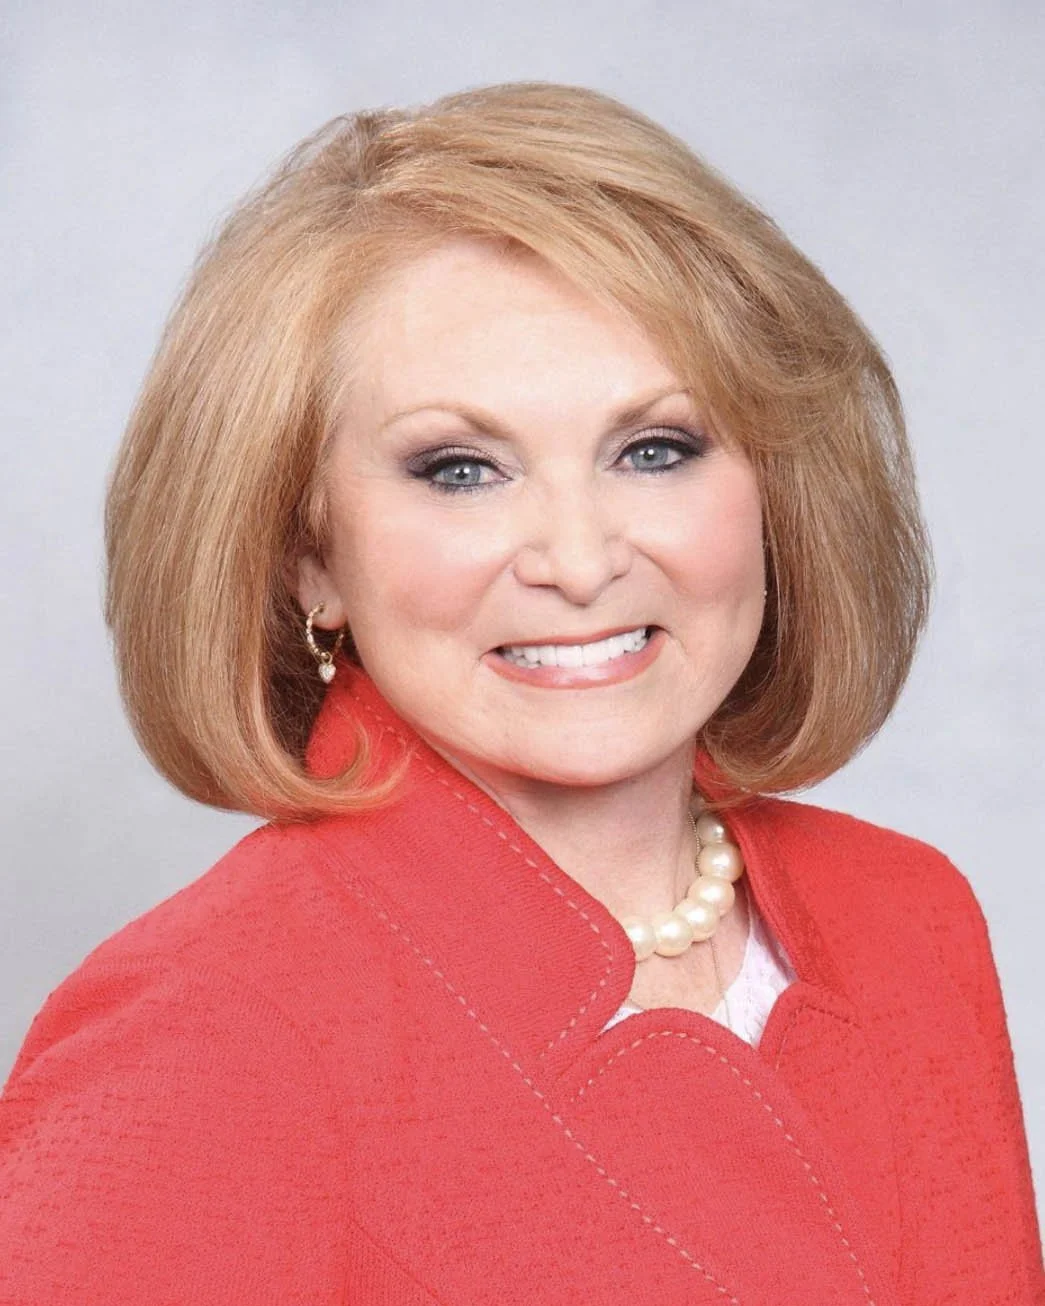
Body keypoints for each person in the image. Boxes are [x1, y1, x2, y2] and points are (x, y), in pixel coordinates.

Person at [0, 82, 1039, 1305]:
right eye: (461, 469)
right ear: (309, 557)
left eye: (655, 448)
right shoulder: (212, 1036)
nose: (582, 556)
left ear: (773, 486)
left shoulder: (906, 919)